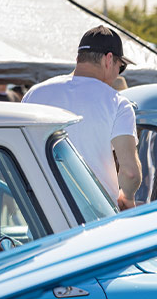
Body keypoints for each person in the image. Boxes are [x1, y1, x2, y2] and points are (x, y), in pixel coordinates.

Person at [22, 26, 141, 209]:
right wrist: (127, 198)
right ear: (109, 59)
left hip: (42, 214)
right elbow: (130, 172)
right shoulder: (117, 103)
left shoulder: (34, 94)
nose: (119, 72)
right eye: (121, 66)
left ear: (78, 59)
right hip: (96, 216)